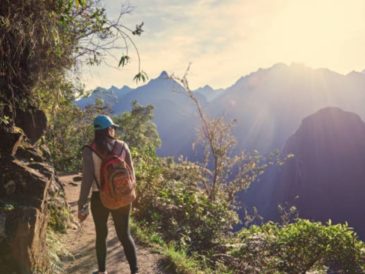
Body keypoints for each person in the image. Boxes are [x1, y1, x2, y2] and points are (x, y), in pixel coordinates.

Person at [78, 114, 138, 274]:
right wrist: (129, 193)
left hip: (99, 198)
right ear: (108, 129)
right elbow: (132, 174)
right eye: (112, 127)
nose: (113, 130)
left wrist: (82, 203)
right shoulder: (123, 146)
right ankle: (135, 271)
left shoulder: (89, 150)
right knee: (125, 235)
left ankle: (102, 271)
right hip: (123, 196)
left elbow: (87, 180)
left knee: (101, 235)